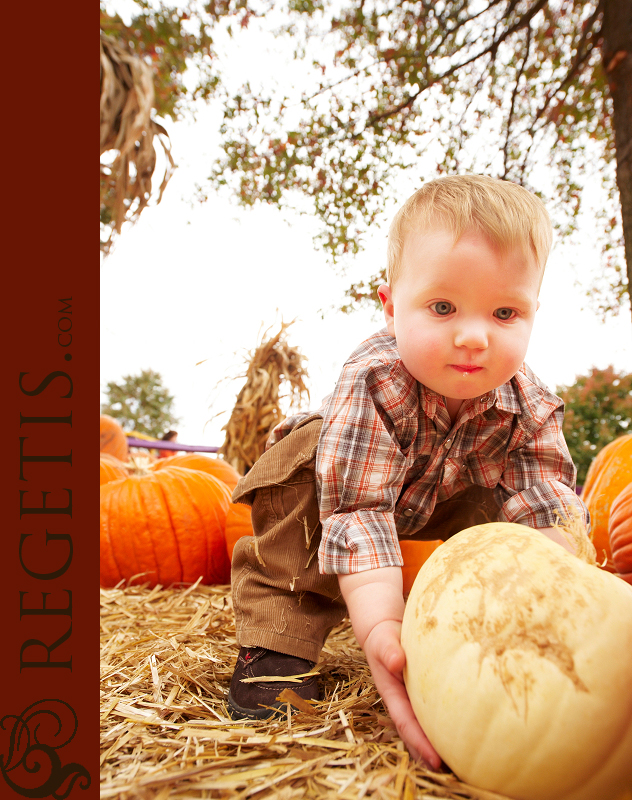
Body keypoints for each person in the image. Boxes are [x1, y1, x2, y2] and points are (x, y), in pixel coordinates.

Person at [227, 175, 589, 769]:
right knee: (301, 489)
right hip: (333, 491)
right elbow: (360, 510)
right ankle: (275, 646)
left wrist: (556, 598)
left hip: (434, 498)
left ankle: (470, 626)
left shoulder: (529, 404)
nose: (473, 336)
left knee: (510, 518)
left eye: (505, 312)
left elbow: (548, 506)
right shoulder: (375, 381)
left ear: (533, 314)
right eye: (442, 307)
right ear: (392, 306)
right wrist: (381, 630)